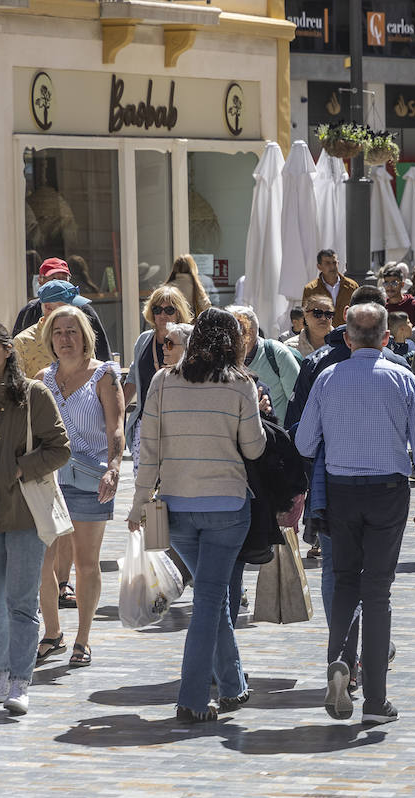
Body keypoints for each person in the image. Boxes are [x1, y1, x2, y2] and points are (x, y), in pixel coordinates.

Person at [295, 303, 415, 726]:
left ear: (347, 338)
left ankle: (341, 660)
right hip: (387, 492)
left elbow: (305, 443)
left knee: (344, 582)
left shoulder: (327, 377)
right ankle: (375, 700)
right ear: (384, 338)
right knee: (377, 592)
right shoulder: (402, 378)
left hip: (340, 491)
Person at [127, 308, 265, 723]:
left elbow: (147, 449)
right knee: (209, 598)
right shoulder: (240, 384)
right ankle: (190, 696)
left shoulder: (163, 381)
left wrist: (137, 504)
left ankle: (233, 684)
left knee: (211, 597)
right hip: (226, 506)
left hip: (177, 508)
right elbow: (255, 449)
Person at [33, 306, 124, 669]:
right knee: (44, 562)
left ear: (85, 335)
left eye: (72, 331)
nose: (65, 339)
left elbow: (115, 428)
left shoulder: (104, 375)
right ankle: (53, 633)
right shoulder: (42, 379)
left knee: (86, 563)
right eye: (58, 333)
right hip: (49, 482)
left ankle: (83, 639)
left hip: (90, 480)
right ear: (49, 339)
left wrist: (114, 468)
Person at [0, 322, 71, 715]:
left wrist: (19, 468)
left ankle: (20, 682)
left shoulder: (32, 394)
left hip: (24, 514)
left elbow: (60, 448)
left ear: (6, 350)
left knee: (21, 603)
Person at [125, 286, 197, 466]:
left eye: (169, 310)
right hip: (145, 423)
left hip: (178, 424)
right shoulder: (143, 340)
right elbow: (133, 378)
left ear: (179, 313)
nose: (162, 315)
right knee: (143, 483)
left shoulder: (188, 340)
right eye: (157, 310)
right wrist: (114, 411)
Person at [229, 305, 300, 422]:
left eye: (232, 329)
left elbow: (297, 400)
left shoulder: (277, 353)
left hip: (277, 433)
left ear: (250, 333)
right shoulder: (223, 358)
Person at [303, 249, 359, 322]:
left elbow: (358, 311)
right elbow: (306, 315)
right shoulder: (310, 289)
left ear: (338, 264)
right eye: (327, 263)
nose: (332, 266)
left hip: (345, 331)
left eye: (334, 263)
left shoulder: (352, 286)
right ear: (319, 267)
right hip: (321, 332)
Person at [286, 295, 336, 359]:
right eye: (317, 313)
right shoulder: (290, 347)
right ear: (305, 315)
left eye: (328, 314)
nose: (323, 318)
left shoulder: (344, 344)